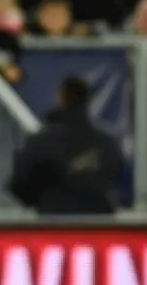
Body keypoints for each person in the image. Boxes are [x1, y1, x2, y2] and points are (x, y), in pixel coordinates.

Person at [7, 76, 125, 215]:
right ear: (87, 101)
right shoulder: (107, 144)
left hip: (55, 226)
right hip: (97, 227)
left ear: (61, 99)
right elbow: (117, 182)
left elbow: (20, 186)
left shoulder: (41, 142)